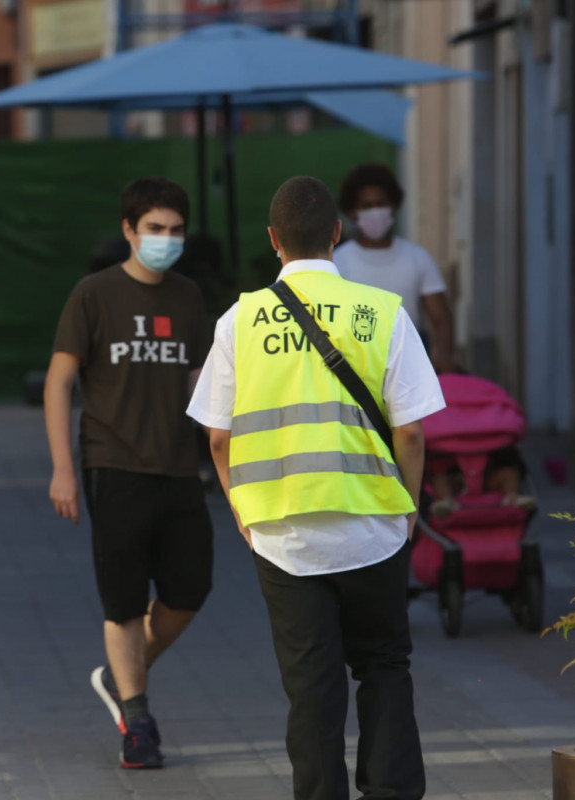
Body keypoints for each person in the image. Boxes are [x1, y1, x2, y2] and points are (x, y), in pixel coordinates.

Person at [188, 176, 443, 800]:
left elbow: (217, 439)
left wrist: (241, 509)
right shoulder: (381, 311)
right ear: (337, 232)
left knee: (311, 687)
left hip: (282, 535)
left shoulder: (239, 321)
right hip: (376, 526)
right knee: (384, 666)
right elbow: (411, 432)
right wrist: (407, 507)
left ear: (273, 240)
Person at [45, 176, 213, 770]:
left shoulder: (189, 297)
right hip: (111, 466)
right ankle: (137, 721)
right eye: (154, 230)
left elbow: (201, 383)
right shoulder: (94, 295)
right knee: (122, 603)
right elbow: (59, 382)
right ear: (129, 231)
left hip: (177, 468)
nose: (165, 240)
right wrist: (63, 470)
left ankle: (121, 676)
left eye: (175, 231)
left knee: (189, 591)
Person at [334, 163, 457, 373]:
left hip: (409, 367)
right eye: (367, 206)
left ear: (394, 205)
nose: (375, 211)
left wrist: (443, 358)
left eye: (381, 204)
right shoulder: (338, 262)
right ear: (352, 211)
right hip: (355, 369)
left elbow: (441, 319)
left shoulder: (418, 258)